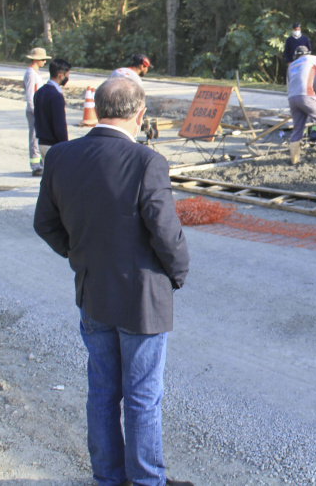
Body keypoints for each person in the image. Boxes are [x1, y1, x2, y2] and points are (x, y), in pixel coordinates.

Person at [33, 77, 192, 486]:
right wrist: (177, 273)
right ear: (140, 114)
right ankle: (145, 480)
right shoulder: (146, 162)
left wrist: (78, 255)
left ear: (99, 109)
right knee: (142, 398)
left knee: (103, 393)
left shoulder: (61, 157)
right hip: (141, 300)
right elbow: (165, 232)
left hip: (93, 294)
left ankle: (108, 477)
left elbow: (45, 224)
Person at [33, 58, 72, 161]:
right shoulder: (56, 96)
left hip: (42, 142)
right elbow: (59, 125)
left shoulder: (39, 92)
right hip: (54, 145)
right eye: (67, 75)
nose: (67, 78)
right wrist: (65, 144)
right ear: (61, 75)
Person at [23, 47, 50, 176]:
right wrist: (34, 111)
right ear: (37, 60)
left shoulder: (35, 72)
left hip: (38, 109)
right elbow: (29, 95)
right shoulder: (30, 74)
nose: (44, 61)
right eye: (43, 59)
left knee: (39, 136)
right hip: (33, 111)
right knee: (34, 137)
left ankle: (39, 161)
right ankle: (35, 165)